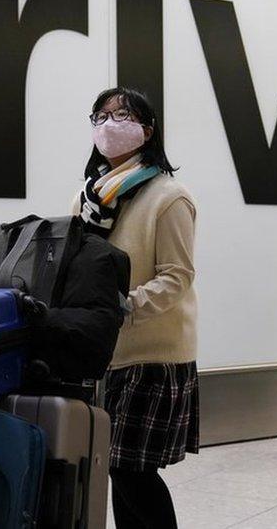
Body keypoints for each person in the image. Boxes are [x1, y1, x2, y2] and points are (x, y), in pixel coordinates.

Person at [75, 87, 198, 528]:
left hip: (152, 353)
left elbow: (177, 275)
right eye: (101, 115)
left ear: (147, 131)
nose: (109, 124)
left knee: (131, 470)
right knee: (118, 467)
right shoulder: (89, 199)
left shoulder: (169, 197)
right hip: (103, 351)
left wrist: (125, 305)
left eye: (122, 115)